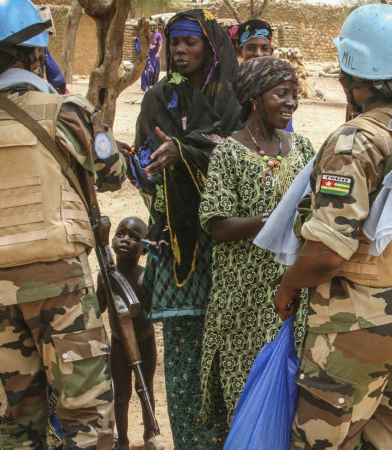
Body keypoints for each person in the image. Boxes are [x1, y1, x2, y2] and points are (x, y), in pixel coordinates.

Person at [270, 5, 392, 447]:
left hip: (362, 327)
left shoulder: (355, 140)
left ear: (357, 77)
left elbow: (325, 256)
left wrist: (286, 287)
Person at [0, 0, 126, 447]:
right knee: (85, 419)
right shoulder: (64, 112)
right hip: (59, 287)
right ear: (36, 53)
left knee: (17, 425)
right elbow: (113, 174)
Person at [131, 9, 241, 448]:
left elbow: (240, 153)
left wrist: (186, 151)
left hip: (231, 239)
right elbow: (144, 154)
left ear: (210, 48)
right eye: (174, 42)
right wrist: (146, 167)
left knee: (233, 348)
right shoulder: (157, 99)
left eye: (190, 43)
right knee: (185, 356)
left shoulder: (235, 99)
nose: (179, 50)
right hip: (177, 242)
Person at [196, 56, 314, 427]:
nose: (291, 103)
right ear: (255, 98)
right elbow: (217, 225)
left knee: (292, 395)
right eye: (281, 94)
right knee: (246, 392)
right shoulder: (229, 153)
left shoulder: (305, 150)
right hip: (242, 299)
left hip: (292, 293)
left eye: (295, 95)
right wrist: (271, 220)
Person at [97, 217, 162, 450]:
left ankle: (149, 436)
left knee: (145, 391)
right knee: (122, 394)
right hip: (118, 343)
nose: (125, 239)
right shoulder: (105, 277)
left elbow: (155, 310)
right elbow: (98, 308)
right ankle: (122, 440)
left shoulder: (145, 277)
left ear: (144, 249)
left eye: (134, 237)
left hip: (145, 342)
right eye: (121, 233)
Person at [138, 20, 163, 92]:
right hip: (148, 56)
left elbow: (160, 44)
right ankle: (148, 86)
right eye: (151, 26)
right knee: (149, 71)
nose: (152, 27)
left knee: (156, 71)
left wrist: (158, 52)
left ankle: (154, 87)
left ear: (156, 27)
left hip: (155, 56)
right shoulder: (147, 35)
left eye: (153, 26)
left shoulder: (158, 35)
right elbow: (142, 42)